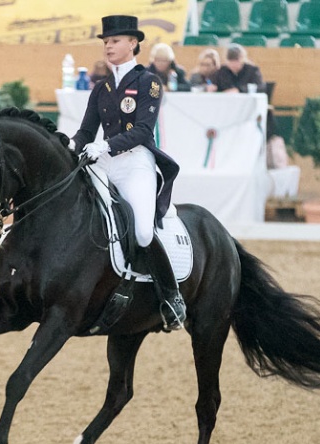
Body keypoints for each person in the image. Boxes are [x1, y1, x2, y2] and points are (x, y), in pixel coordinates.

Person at [70, 15, 186, 331]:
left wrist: (103, 146)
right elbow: (85, 132)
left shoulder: (148, 82)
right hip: (105, 164)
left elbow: (142, 131)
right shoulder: (101, 88)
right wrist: (69, 144)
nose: (109, 46)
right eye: (106, 42)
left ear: (133, 43)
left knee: (143, 232)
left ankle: (172, 297)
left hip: (135, 164)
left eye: (115, 41)